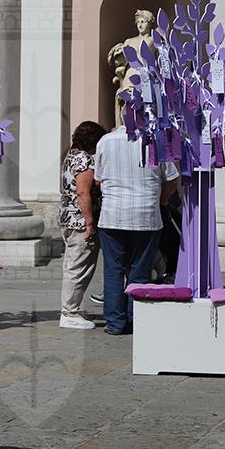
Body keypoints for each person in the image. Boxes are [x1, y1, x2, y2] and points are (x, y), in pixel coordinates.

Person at [94, 107, 180, 335]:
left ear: (121, 117)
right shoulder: (156, 139)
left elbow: (98, 178)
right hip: (146, 214)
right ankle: (136, 319)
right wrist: (161, 201)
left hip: (112, 215)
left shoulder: (105, 141)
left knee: (113, 270)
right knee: (140, 271)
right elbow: (172, 179)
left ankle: (115, 322)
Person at [58, 121, 107, 330]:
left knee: (72, 265)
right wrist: (89, 223)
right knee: (78, 268)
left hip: (68, 217)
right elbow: (82, 192)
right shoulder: (84, 160)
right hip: (79, 221)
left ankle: (69, 309)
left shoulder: (70, 156)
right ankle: (70, 312)